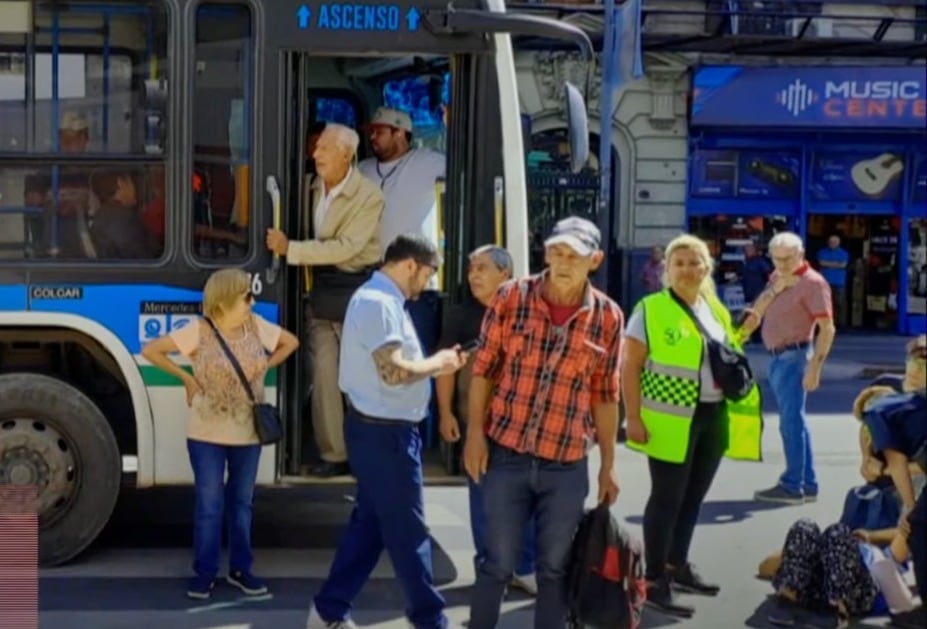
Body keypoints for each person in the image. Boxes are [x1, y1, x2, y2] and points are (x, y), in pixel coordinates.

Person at [464, 216, 622, 629]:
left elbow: (605, 395)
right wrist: (474, 436)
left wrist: (608, 464)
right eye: (556, 253)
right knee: (496, 563)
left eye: (574, 255)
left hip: (566, 463)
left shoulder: (608, 317)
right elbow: (483, 370)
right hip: (506, 453)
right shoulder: (511, 298)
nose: (563, 262)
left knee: (554, 568)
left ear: (595, 260)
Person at [306, 234, 468, 629]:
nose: (428, 284)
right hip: (386, 436)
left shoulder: (382, 300)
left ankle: (329, 610)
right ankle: (430, 620)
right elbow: (393, 371)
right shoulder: (378, 303)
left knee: (371, 529)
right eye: (429, 273)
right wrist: (440, 364)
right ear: (410, 265)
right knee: (410, 533)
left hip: (383, 433)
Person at [622, 234, 763, 618]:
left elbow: (723, 352)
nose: (686, 269)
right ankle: (653, 579)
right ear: (667, 269)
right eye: (678, 262)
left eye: (694, 262)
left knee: (692, 498)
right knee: (666, 500)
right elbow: (629, 366)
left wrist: (745, 330)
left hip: (713, 416)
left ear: (707, 267)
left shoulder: (714, 308)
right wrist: (632, 417)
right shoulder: (650, 309)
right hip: (670, 419)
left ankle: (677, 564)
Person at [141, 269, 299, 599]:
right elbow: (152, 351)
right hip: (205, 434)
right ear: (224, 300)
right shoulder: (199, 331)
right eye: (246, 297)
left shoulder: (256, 327)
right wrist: (186, 378)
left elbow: (291, 343)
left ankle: (241, 569)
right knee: (209, 505)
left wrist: (264, 367)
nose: (252, 302)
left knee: (242, 504)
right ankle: (205, 572)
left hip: (248, 434)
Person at [266, 123, 384, 478]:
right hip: (319, 293)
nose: (315, 154)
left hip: (354, 295)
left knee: (359, 380)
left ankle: (369, 452)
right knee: (324, 376)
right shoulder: (309, 187)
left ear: (346, 154)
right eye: (316, 147)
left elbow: (348, 248)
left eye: (324, 148)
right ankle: (334, 455)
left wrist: (292, 250)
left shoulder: (370, 196)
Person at [436, 245, 538, 596]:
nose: (473, 275)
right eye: (470, 269)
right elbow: (446, 369)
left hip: (520, 424)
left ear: (505, 274)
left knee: (524, 497)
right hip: (474, 423)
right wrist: (446, 412)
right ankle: (489, 567)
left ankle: (525, 566)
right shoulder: (460, 315)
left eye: (482, 268)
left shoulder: (528, 312)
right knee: (481, 496)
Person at [740, 231, 836, 505]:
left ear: (801, 254)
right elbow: (759, 308)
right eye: (777, 259)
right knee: (796, 422)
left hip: (794, 356)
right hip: (778, 356)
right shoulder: (778, 277)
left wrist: (815, 367)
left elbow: (827, 328)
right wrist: (777, 287)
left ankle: (793, 485)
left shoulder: (813, 283)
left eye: (787, 259)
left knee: (790, 423)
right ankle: (807, 481)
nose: (781, 265)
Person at [817, 234, 850, 329]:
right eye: (831, 242)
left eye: (835, 242)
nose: (833, 244)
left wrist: (828, 264)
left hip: (839, 282)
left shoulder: (844, 253)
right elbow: (821, 263)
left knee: (839, 303)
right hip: (824, 282)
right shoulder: (822, 252)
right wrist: (836, 264)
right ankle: (825, 324)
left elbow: (843, 265)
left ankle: (840, 324)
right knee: (824, 304)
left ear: (839, 243)